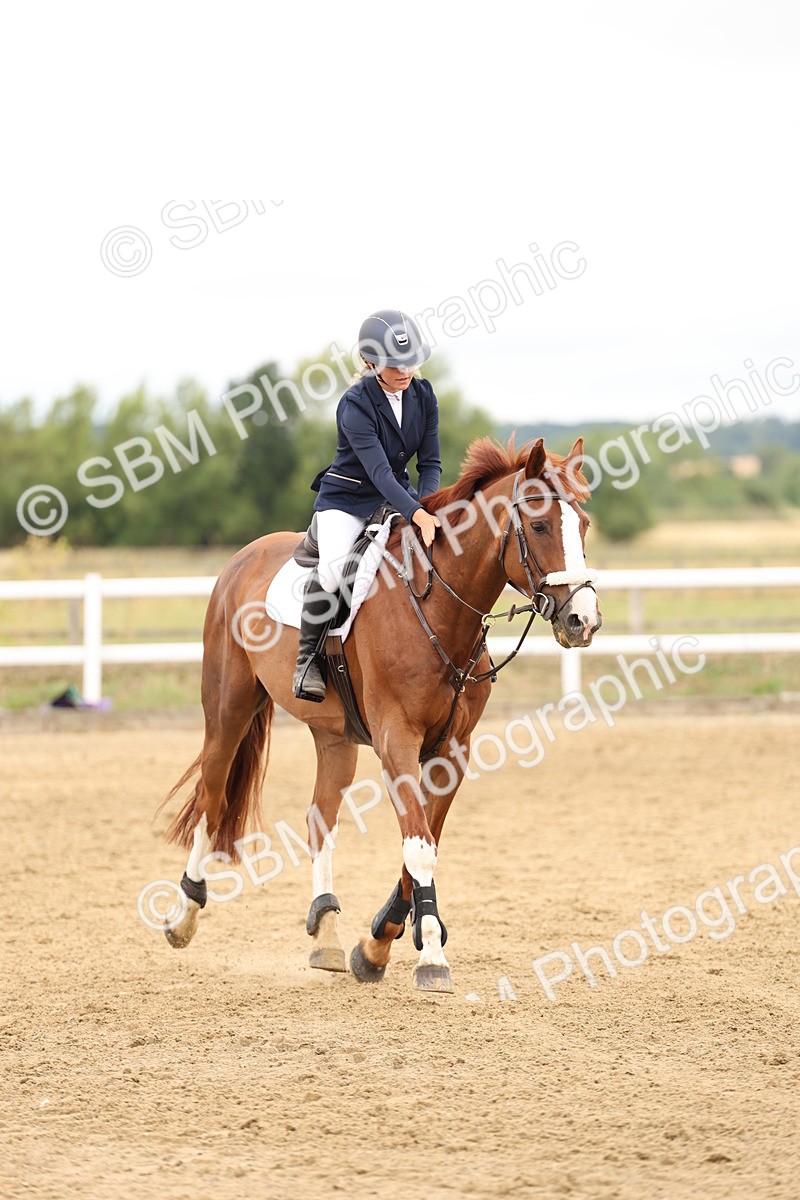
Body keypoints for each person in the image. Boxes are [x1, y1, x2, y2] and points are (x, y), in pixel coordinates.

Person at [293, 309, 442, 701]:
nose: (406, 371)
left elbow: (430, 463)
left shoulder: (424, 395)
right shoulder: (355, 404)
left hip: (398, 498)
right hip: (347, 501)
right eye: (395, 365)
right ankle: (307, 661)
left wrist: (425, 506)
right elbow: (378, 473)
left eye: (411, 362)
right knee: (333, 572)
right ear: (370, 361)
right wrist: (415, 512)